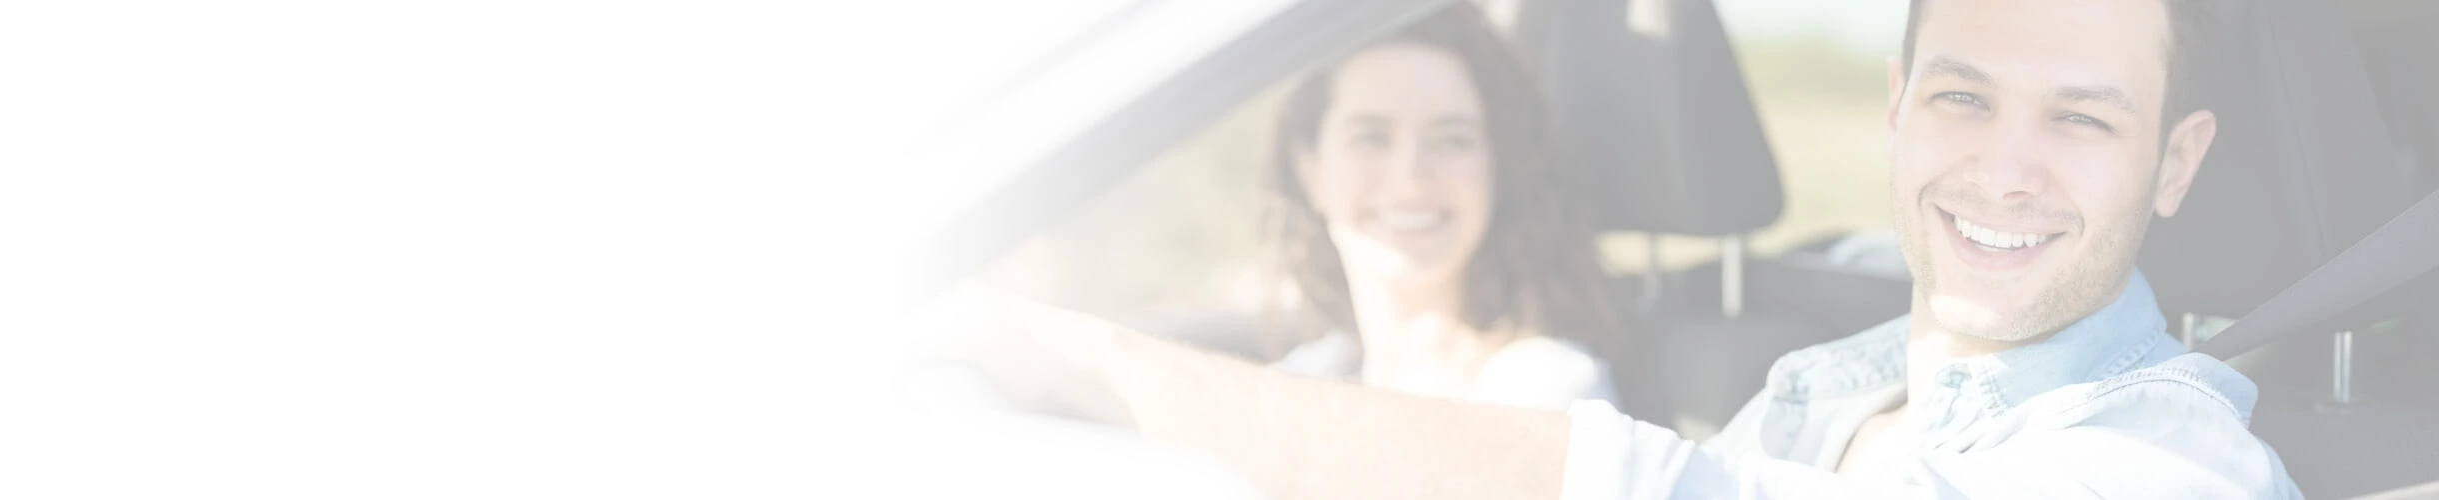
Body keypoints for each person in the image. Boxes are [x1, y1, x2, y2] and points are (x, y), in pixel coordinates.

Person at [941, 0, 2300, 497]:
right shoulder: (1823, 387)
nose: (2003, 165)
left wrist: (1094, 361)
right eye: (1962, 96)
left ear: (2173, 162)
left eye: (2080, 118)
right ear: (1895, 110)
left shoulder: (2169, 464)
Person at [1255, 4, 1623, 409]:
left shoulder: (1545, 386)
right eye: (1370, 138)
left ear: (1497, 168)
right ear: (1310, 172)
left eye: (1452, 140)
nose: (1410, 181)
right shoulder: (1308, 377)